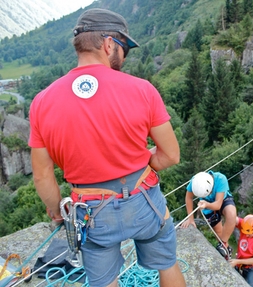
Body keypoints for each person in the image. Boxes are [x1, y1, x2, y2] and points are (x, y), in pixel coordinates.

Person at [28, 8, 186, 287]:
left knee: (104, 281)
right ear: (109, 43)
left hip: (90, 212)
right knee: (167, 264)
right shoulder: (142, 89)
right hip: (143, 200)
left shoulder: (42, 102)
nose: (124, 57)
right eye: (124, 48)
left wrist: (56, 212)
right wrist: (144, 161)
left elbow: (42, 175)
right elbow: (171, 155)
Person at [180, 171, 237, 260]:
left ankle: (224, 244)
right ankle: (226, 250)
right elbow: (188, 197)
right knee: (218, 233)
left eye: (209, 193)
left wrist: (206, 204)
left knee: (231, 214)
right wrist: (190, 219)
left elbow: (218, 204)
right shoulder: (194, 182)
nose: (210, 194)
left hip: (222, 200)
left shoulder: (220, 179)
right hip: (206, 204)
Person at [229, 214, 253, 287]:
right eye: (245, 233)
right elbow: (232, 217)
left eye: (248, 234)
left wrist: (237, 261)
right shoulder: (245, 226)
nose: (246, 236)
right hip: (240, 263)